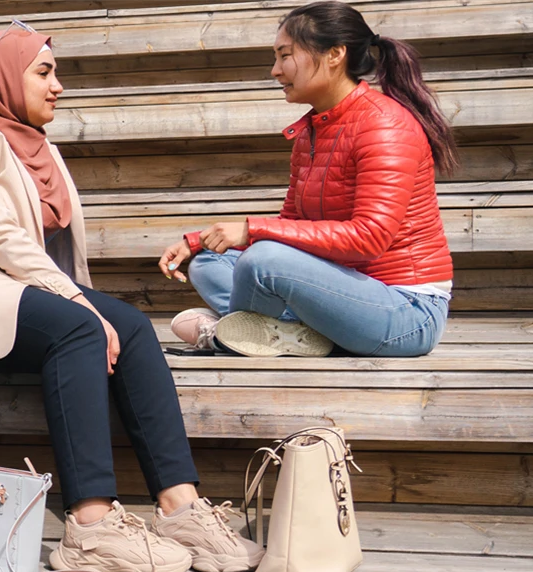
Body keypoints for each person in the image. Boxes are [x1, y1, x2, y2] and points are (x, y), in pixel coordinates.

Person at [0, 24, 262, 572]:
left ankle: (181, 508)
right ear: (5, 78)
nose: (57, 86)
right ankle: (89, 528)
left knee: (129, 325)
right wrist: (79, 309)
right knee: (82, 329)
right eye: (44, 72)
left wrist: (89, 307)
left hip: (7, 289)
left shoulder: (38, 147)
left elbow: (51, 255)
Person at [159, 1, 456, 358]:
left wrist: (252, 230)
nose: (275, 70)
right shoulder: (313, 130)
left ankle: (232, 334)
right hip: (343, 288)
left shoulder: (384, 126)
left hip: (406, 311)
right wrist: (199, 241)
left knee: (262, 260)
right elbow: (294, 227)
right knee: (209, 262)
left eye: (285, 56)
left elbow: (370, 238)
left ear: (334, 54)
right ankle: (282, 332)